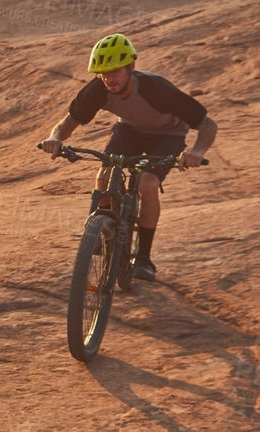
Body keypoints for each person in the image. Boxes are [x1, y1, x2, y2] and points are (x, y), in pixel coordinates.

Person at [38, 32, 216, 279]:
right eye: (103, 73)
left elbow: (207, 124)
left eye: (114, 71)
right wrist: (55, 138)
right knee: (104, 175)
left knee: (148, 183)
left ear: (131, 66)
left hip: (168, 135)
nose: (108, 78)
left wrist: (196, 152)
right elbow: (68, 122)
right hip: (131, 129)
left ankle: (143, 258)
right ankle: (104, 230)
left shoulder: (157, 89)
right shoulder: (98, 90)